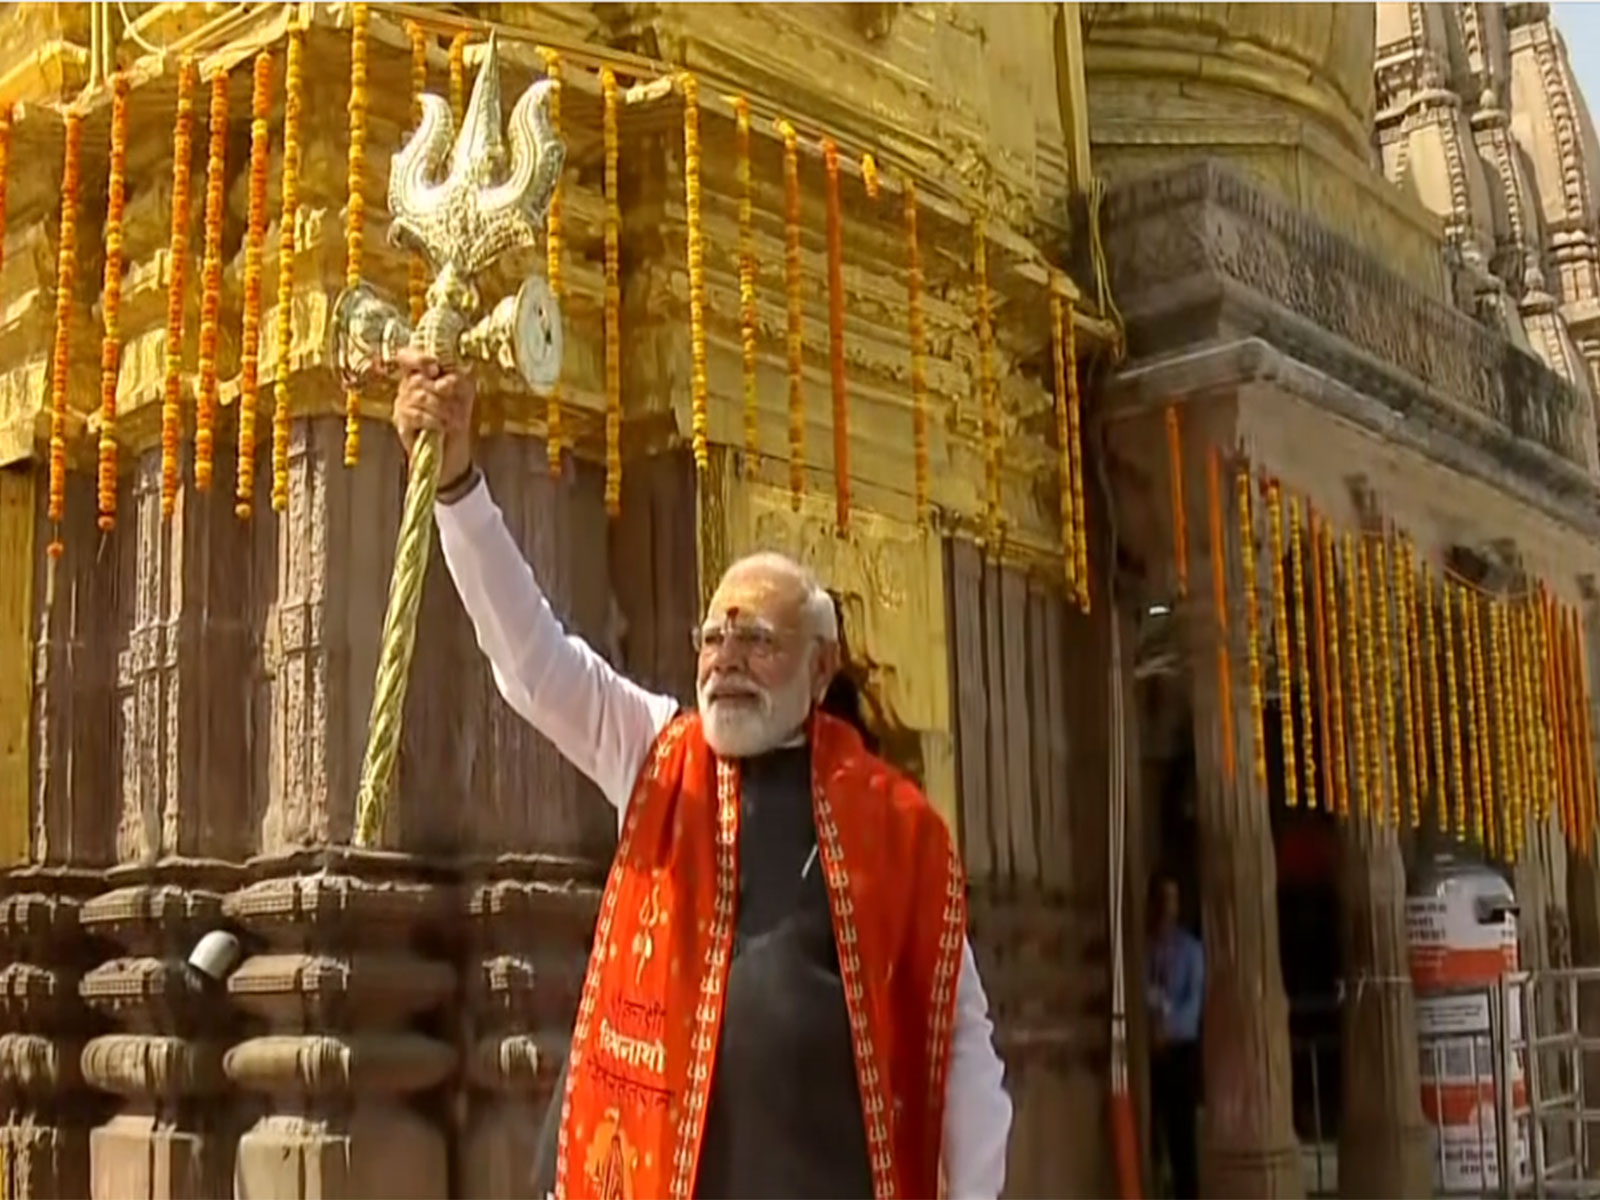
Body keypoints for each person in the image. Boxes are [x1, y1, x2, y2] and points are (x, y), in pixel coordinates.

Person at [392, 351, 1013, 1200]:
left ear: (820, 667)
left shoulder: (896, 826)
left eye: (757, 638)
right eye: (713, 637)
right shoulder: (656, 753)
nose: (726, 661)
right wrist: (459, 484)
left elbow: (961, 1034)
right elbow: (532, 659)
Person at [1147, 871, 1204, 1200]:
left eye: (1172, 899)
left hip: (1180, 1049)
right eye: (1162, 899)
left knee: (1183, 1134)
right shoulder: (1147, 950)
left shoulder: (1190, 950)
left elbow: (1192, 1005)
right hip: (1153, 1052)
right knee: (1157, 1131)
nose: (1167, 907)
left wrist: (1165, 1030)